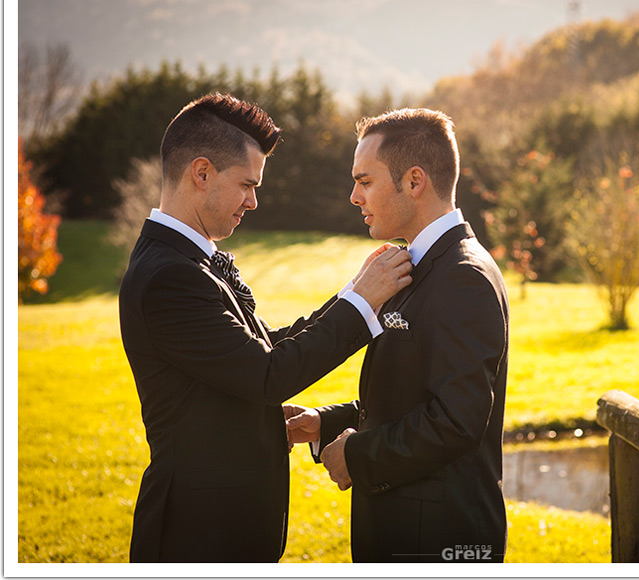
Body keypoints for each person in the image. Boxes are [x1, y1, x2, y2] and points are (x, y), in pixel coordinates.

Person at [118, 93, 412, 562]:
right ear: (201, 173)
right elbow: (266, 374)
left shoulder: (186, 261)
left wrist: (352, 293)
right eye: (247, 185)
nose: (253, 202)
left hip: (224, 533)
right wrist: (361, 303)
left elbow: (262, 347)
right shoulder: (168, 276)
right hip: (197, 539)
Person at [287, 108, 510, 562]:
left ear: (414, 181)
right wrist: (326, 423)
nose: (353, 196)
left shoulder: (463, 277)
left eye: (364, 181)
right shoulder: (416, 266)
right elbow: (417, 394)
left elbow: (457, 420)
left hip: (439, 540)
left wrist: (359, 454)